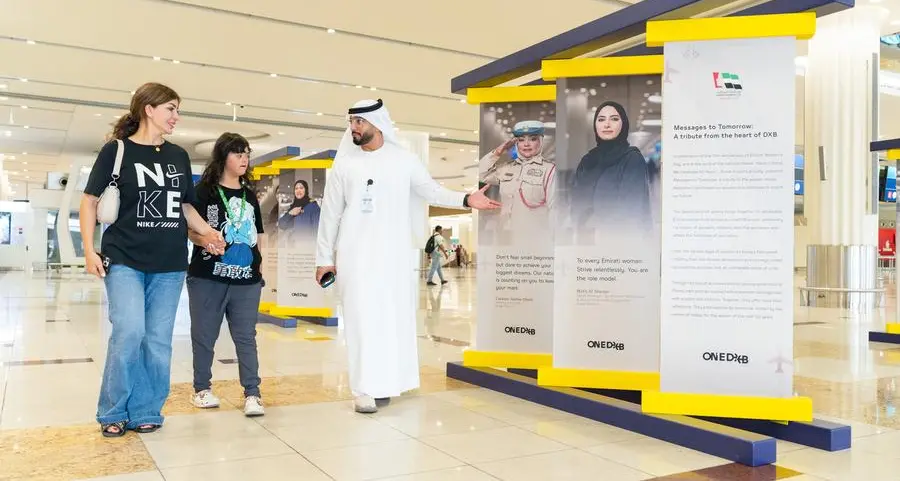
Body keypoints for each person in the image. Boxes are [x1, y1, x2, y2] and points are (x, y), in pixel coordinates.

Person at [315, 99, 500, 413]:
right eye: (351, 123)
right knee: (360, 319)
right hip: (355, 254)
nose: (353, 128)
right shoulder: (344, 164)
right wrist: (323, 258)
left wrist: (467, 198)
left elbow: (432, 191)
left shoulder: (404, 160)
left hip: (395, 254)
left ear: (377, 122)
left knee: (390, 319)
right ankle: (363, 390)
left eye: (359, 122)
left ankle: (386, 383)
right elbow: (330, 214)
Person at [79, 82, 224, 437]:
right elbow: (89, 201)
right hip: (124, 257)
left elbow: (185, 205)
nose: (176, 116)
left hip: (170, 261)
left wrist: (207, 233)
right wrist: (87, 249)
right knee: (129, 332)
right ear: (149, 109)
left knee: (157, 340)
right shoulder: (116, 151)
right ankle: (112, 410)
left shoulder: (178, 155)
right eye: (171, 109)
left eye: (177, 110)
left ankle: (146, 409)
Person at [185, 132, 266, 417]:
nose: (244, 159)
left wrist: (260, 268)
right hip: (208, 276)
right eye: (237, 153)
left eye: (246, 154)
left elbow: (258, 235)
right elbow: (190, 230)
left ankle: (252, 393)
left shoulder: (250, 195)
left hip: (246, 280)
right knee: (204, 335)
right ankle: (201, 389)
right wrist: (204, 240)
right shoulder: (202, 191)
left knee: (246, 337)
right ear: (223, 157)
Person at [571, 101, 651, 232]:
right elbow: (576, 205)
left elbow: (631, 209)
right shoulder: (587, 161)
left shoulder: (632, 159)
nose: (607, 124)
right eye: (601, 119)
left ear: (623, 124)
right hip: (585, 241)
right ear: (595, 125)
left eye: (614, 119)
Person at [479, 120, 557, 242]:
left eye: (532, 139)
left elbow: (555, 209)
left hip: (534, 238)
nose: (526, 144)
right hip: (505, 237)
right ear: (516, 143)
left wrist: (552, 241)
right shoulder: (506, 168)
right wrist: (496, 153)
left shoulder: (550, 170)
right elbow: (481, 174)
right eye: (521, 140)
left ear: (541, 140)